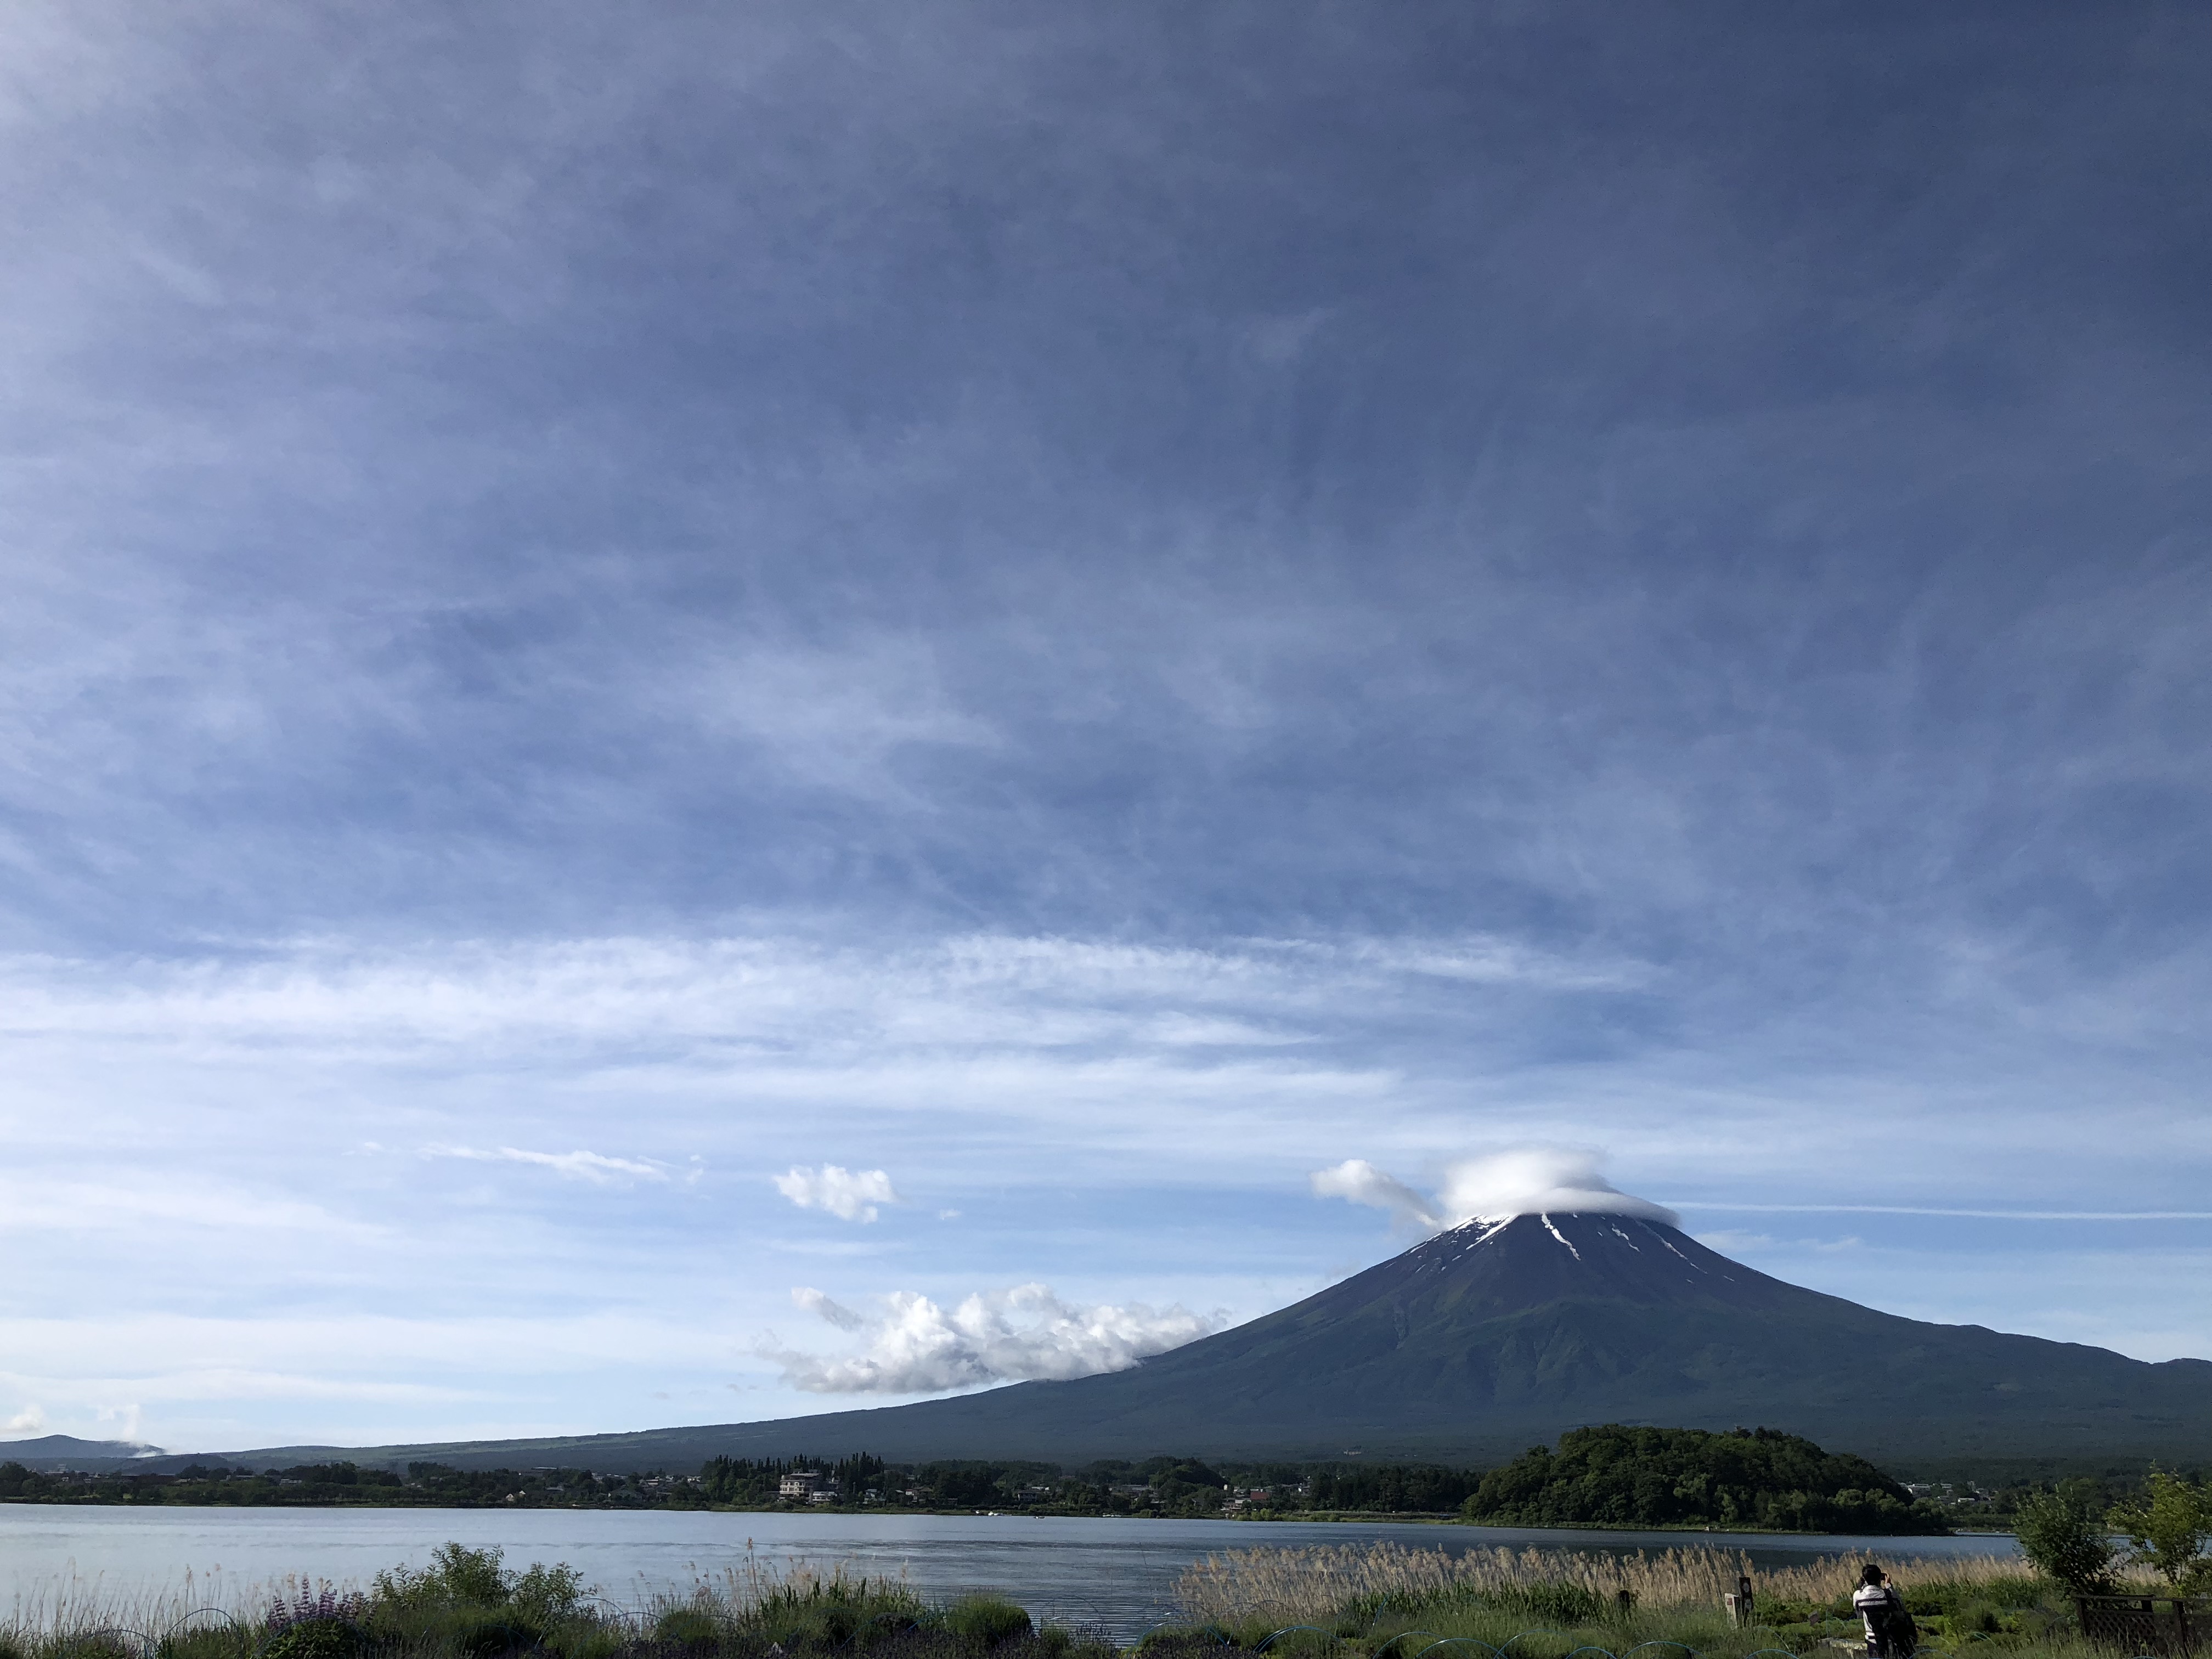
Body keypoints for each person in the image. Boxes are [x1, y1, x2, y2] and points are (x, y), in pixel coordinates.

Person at [1853, 1564, 1917, 1658]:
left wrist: (1862, 1584)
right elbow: (1901, 1608)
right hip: (1893, 1639)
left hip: (1873, 1640)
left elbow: (1859, 1614)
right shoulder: (1889, 1594)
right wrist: (1889, 1586)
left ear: (1864, 1579)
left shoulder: (1859, 1596)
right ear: (1880, 1578)